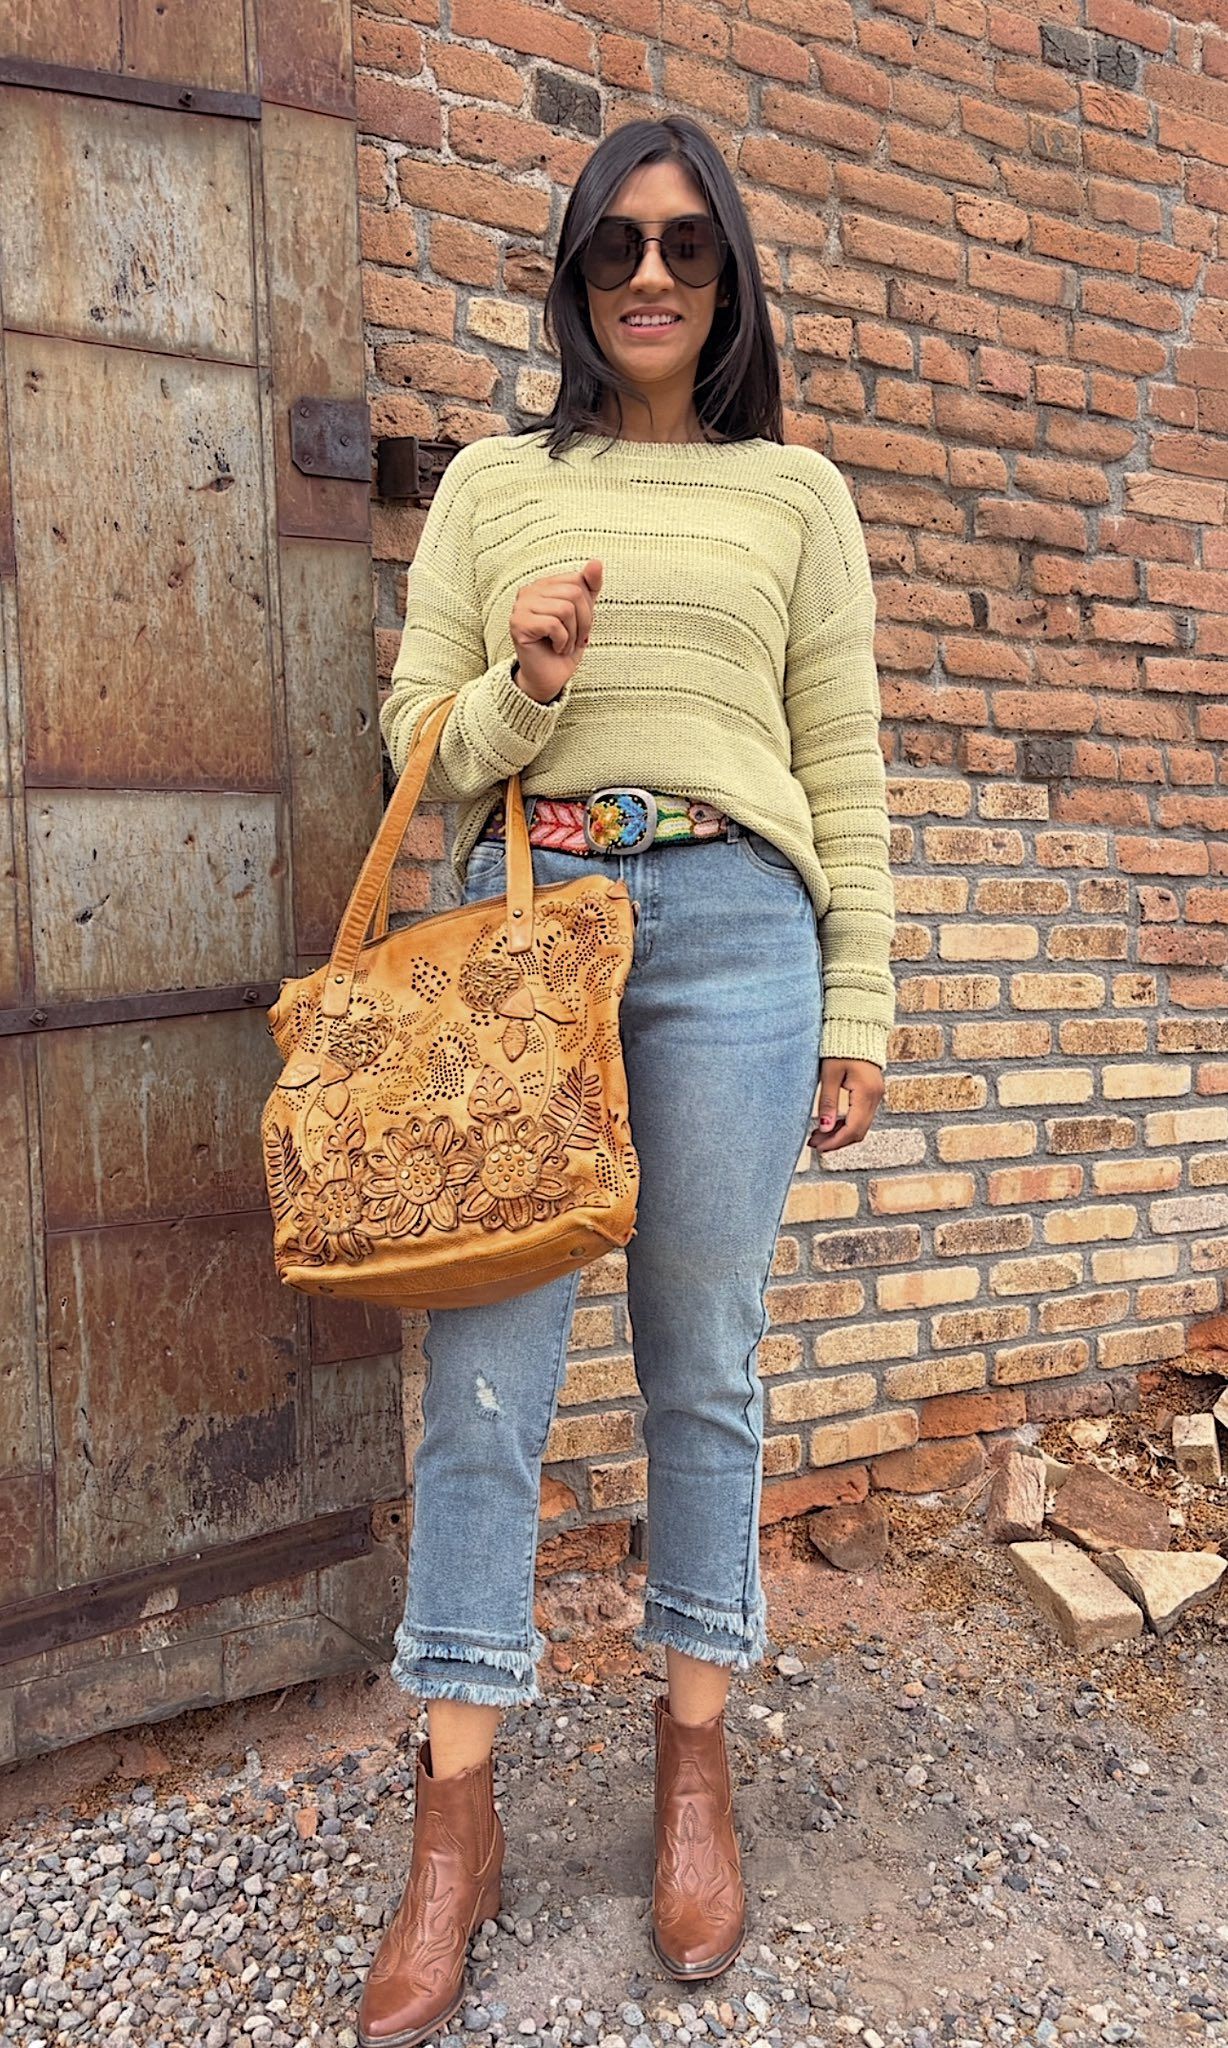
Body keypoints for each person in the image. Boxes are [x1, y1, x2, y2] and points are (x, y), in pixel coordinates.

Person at [357, 111, 895, 2048]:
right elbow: (419, 738)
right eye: (611, 250)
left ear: (727, 273)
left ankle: (690, 1765)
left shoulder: (793, 495)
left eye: (682, 247)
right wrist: (522, 678)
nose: (648, 278)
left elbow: (840, 759)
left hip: (743, 940)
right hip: (530, 927)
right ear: (573, 278)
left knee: (705, 1368)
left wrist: (861, 1009)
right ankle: (458, 1820)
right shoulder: (500, 485)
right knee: (482, 1395)